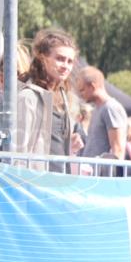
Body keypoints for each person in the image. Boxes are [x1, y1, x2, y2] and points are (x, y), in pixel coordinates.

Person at [16, 29, 83, 170]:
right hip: (34, 183)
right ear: (42, 57)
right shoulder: (28, 97)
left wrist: (70, 143)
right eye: (60, 59)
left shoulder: (65, 98)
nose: (65, 66)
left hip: (60, 181)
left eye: (70, 61)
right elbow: (18, 151)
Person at [78, 66, 126, 160]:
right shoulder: (97, 109)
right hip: (92, 171)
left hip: (102, 173)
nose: (81, 94)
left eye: (82, 90)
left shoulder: (111, 108)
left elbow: (117, 150)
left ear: (92, 86)